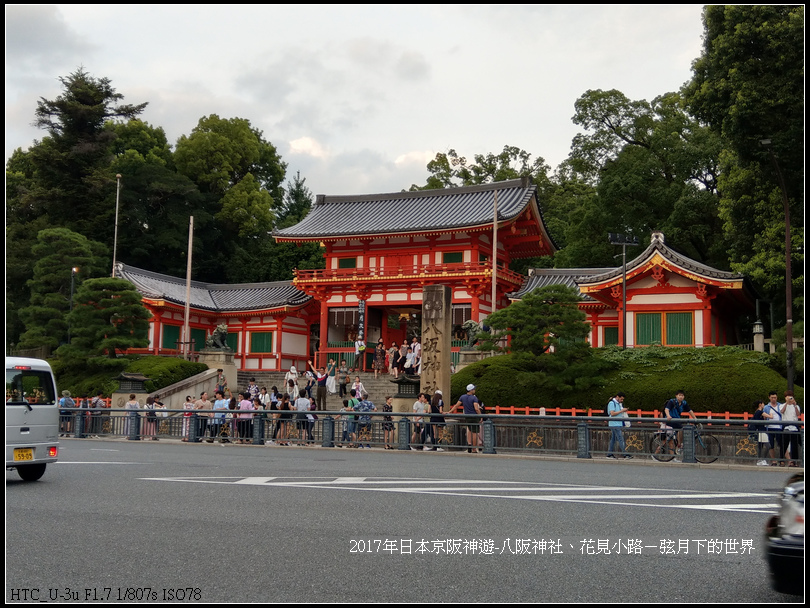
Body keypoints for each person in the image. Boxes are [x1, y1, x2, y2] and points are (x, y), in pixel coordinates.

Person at [448, 384, 482, 453]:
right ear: (471, 390)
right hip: (474, 416)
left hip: (467, 416)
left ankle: (469, 445)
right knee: (475, 432)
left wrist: (449, 411)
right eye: (474, 389)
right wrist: (480, 416)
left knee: (469, 431)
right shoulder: (474, 398)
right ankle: (474, 448)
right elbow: (476, 408)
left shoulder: (463, 397)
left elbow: (456, 405)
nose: (474, 390)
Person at [664, 389, 695, 454]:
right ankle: (679, 445)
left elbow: (690, 411)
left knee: (679, 429)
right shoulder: (672, 401)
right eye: (679, 395)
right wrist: (668, 416)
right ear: (676, 396)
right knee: (681, 429)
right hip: (671, 420)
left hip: (677, 420)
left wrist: (695, 418)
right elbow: (666, 409)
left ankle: (678, 443)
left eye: (682, 395)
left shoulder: (684, 403)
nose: (681, 397)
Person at [606, 392, 632, 459]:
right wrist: (621, 411)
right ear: (617, 397)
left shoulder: (618, 404)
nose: (622, 401)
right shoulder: (612, 403)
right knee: (620, 438)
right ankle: (625, 454)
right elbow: (612, 413)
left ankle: (609, 453)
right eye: (621, 399)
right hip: (614, 423)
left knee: (613, 439)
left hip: (617, 423)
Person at [781, 390, 802, 467]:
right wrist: (787, 403)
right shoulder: (782, 405)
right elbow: (782, 411)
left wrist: (795, 405)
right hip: (786, 427)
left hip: (794, 428)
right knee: (784, 445)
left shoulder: (796, 406)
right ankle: (781, 460)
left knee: (794, 445)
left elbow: (798, 414)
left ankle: (794, 461)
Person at [764, 391, 785, 466]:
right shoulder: (766, 407)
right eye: (772, 397)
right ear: (769, 397)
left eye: (775, 397)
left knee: (781, 444)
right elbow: (764, 416)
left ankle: (782, 460)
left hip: (779, 427)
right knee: (771, 445)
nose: (774, 399)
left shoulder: (780, 405)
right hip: (769, 427)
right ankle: (773, 461)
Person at [751, 400, 770, 466]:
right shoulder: (760, 412)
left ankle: (759, 460)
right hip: (762, 431)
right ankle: (763, 459)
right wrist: (771, 414)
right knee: (768, 446)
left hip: (758, 430)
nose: (764, 405)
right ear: (760, 404)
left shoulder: (756, 412)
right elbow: (770, 416)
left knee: (760, 446)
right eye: (763, 403)